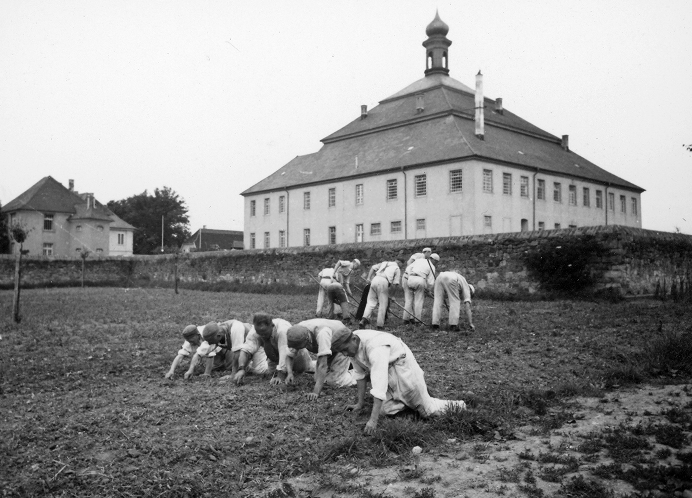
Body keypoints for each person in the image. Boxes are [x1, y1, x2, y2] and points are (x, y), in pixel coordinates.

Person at [333, 329, 467, 435]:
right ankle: (409, 407)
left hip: (403, 369)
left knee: (428, 412)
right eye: (342, 352)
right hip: (389, 371)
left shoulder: (375, 347)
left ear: (354, 339)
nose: (345, 354)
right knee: (384, 410)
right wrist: (359, 404)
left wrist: (373, 421)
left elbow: (379, 385)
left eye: (345, 350)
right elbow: (360, 374)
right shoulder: (352, 346)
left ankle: (460, 405)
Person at [232, 313, 315, 386]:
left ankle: (317, 365)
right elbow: (246, 350)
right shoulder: (254, 331)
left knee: (305, 369)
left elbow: (284, 352)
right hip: (274, 358)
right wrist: (241, 368)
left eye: (265, 333)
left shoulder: (282, 330)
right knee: (261, 371)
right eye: (260, 333)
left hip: (296, 356)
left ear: (272, 325)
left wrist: (280, 376)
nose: (262, 336)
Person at [286, 319, 356, 399]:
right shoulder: (296, 332)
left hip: (341, 347)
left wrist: (315, 392)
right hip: (328, 347)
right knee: (317, 379)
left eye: (298, 347)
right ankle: (344, 366)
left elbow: (323, 365)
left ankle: (357, 374)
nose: (296, 349)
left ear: (307, 340)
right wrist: (289, 373)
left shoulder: (322, 334)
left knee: (334, 382)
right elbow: (289, 355)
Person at [183, 320, 268, 380]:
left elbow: (237, 354)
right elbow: (198, 354)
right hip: (245, 348)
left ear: (218, 336)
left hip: (257, 342)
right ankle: (247, 367)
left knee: (260, 371)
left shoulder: (235, 328)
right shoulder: (213, 336)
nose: (209, 344)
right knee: (246, 368)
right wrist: (190, 370)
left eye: (211, 342)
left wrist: (232, 375)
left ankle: (274, 363)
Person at [359, 258, 403, 330]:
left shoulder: (385, 263)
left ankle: (363, 320)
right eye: (402, 264)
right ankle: (380, 325)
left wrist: (368, 278)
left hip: (375, 279)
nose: (401, 266)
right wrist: (392, 296)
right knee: (383, 304)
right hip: (383, 281)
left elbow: (373, 268)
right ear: (399, 262)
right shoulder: (397, 268)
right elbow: (395, 284)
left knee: (370, 302)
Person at [403, 253, 439, 324]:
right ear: (433, 259)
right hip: (420, 279)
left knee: (409, 300)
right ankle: (417, 320)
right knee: (418, 301)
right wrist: (428, 290)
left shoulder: (419, 260)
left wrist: (410, 275)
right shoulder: (432, 266)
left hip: (410, 278)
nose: (436, 263)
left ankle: (405, 319)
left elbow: (408, 268)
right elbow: (431, 282)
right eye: (436, 262)